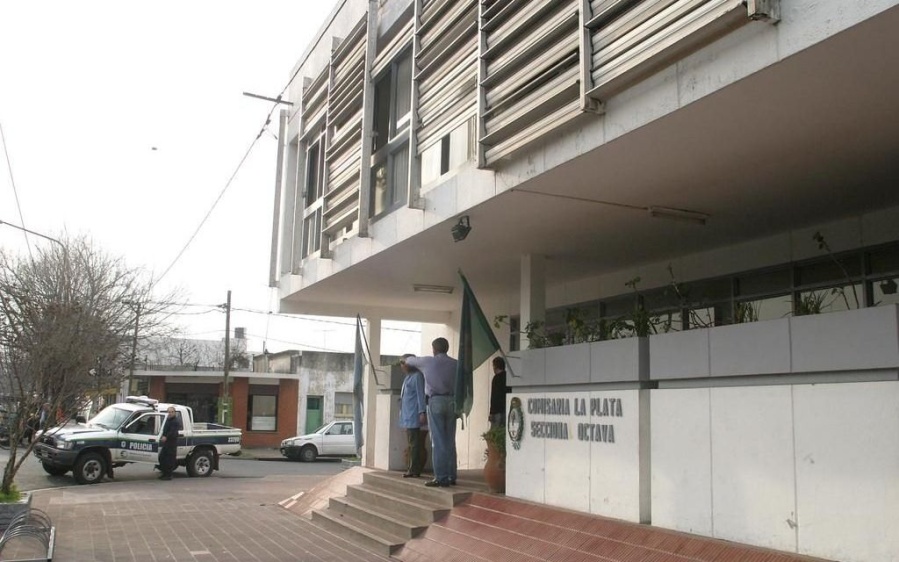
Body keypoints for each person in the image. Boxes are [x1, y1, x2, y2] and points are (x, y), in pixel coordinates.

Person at [403, 337, 457, 488]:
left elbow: (409, 360)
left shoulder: (428, 361)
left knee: (438, 441)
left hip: (435, 401)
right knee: (450, 440)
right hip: (452, 401)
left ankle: (441, 477)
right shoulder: (455, 363)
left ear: (434, 349)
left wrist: (407, 358)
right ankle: (452, 475)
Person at [398, 354, 427, 478]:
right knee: (411, 443)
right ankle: (412, 467)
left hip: (413, 414)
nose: (402, 366)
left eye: (403, 363)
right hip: (407, 415)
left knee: (414, 443)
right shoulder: (407, 378)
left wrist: (422, 412)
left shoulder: (417, 377)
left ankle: (414, 469)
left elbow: (421, 395)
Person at [158, 406, 181, 480]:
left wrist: (166, 437)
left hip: (172, 443)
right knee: (162, 458)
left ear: (174, 413)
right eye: (169, 412)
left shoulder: (175, 421)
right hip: (166, 443)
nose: (170, 413)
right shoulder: (168, 420)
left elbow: (172, 432)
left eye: (172, 412)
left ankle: (168, 475)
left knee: (169, 459)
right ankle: (164, 473)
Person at [489, 357, 510, 429]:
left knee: (494, 435)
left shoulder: (496, 379)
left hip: (497, 412)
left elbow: (494, 397)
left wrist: (491, 413)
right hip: (506, 410)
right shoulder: (508, 377)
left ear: (495, 366)